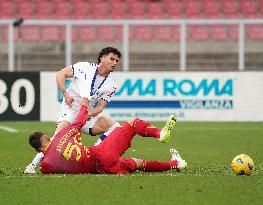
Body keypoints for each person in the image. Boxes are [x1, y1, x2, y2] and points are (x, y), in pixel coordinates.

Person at [24, 47, 122, 174]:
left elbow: (100, 107)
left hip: (86, 114)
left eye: (117, 61)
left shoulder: (111, 84)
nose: (114, 63)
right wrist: (65, 94)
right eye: (112, 59)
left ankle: (95, 155)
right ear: (102, 58)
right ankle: (33, 164)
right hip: (70, 109)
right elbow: (61, 74)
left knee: (115, 127)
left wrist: (90, 114)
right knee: (59, 135)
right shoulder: (84, 67)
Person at [28, 100, 187, 175]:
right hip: (101, 152)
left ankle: (175, 164)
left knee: (137, 163)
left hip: (101, 169)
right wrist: (84, 105)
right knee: (132, 123)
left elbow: (50, 165)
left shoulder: (45, 167)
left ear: (37, 150)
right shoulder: (60, 136)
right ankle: (160, 134)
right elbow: (79, 122)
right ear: (48, 137)